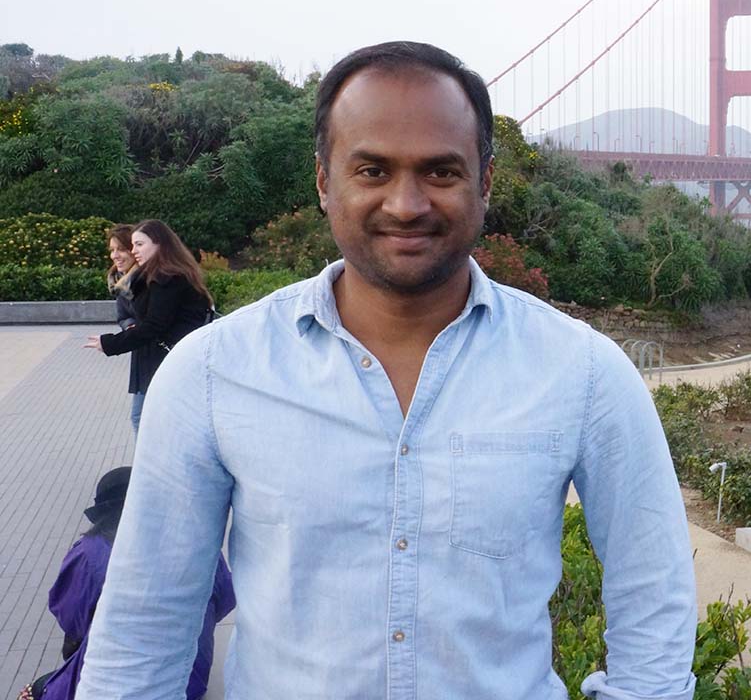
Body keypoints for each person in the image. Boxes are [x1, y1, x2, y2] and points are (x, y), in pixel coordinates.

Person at [77, 41, 698, 699]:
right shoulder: (212, 373)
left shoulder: (584, 372)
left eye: (441, 172)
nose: (406, 204)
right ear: (324, 181)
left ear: (485, 182)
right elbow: (145, 625)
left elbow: (651, 588)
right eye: (371, 170)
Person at [15, 467, 234, 700]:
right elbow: (226, 599)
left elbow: (71, 618)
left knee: (31, 693)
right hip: (189, 680)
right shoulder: (195, 540)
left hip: (117, 685)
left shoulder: (90, 553)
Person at [84, 219, 213, 434]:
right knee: (146, 420)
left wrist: (109, 343)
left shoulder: (167, 278)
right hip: (164, 359)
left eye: (139, 245)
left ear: (160, 244)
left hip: (171, 361)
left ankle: (155, 468)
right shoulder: (156, 275)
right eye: (132, 245)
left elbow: (154, 325)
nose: (134, 251)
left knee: (147, 421)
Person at [103, 225, 144, 426]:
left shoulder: (147, 279)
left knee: (140, 417)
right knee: (139, 417)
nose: (115, 255)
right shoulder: (120, 281)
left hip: (158, 354)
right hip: (141, 350)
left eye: (121, 249)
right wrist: (130, 326)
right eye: (112, 250)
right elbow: (123, 316)